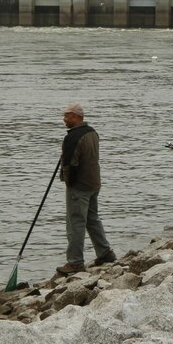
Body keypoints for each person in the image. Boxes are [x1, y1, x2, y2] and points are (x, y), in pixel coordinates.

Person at [57, 102, 115, 274]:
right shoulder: (92, 132)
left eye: (67, 116)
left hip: (79, 186)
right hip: (94, 182)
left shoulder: (72, 137)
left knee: (75, 223)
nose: (64, 119)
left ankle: (75, 262)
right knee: (92, 218)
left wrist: (68, 182)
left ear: (75, 117)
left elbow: (71, 165)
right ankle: (105, 253)